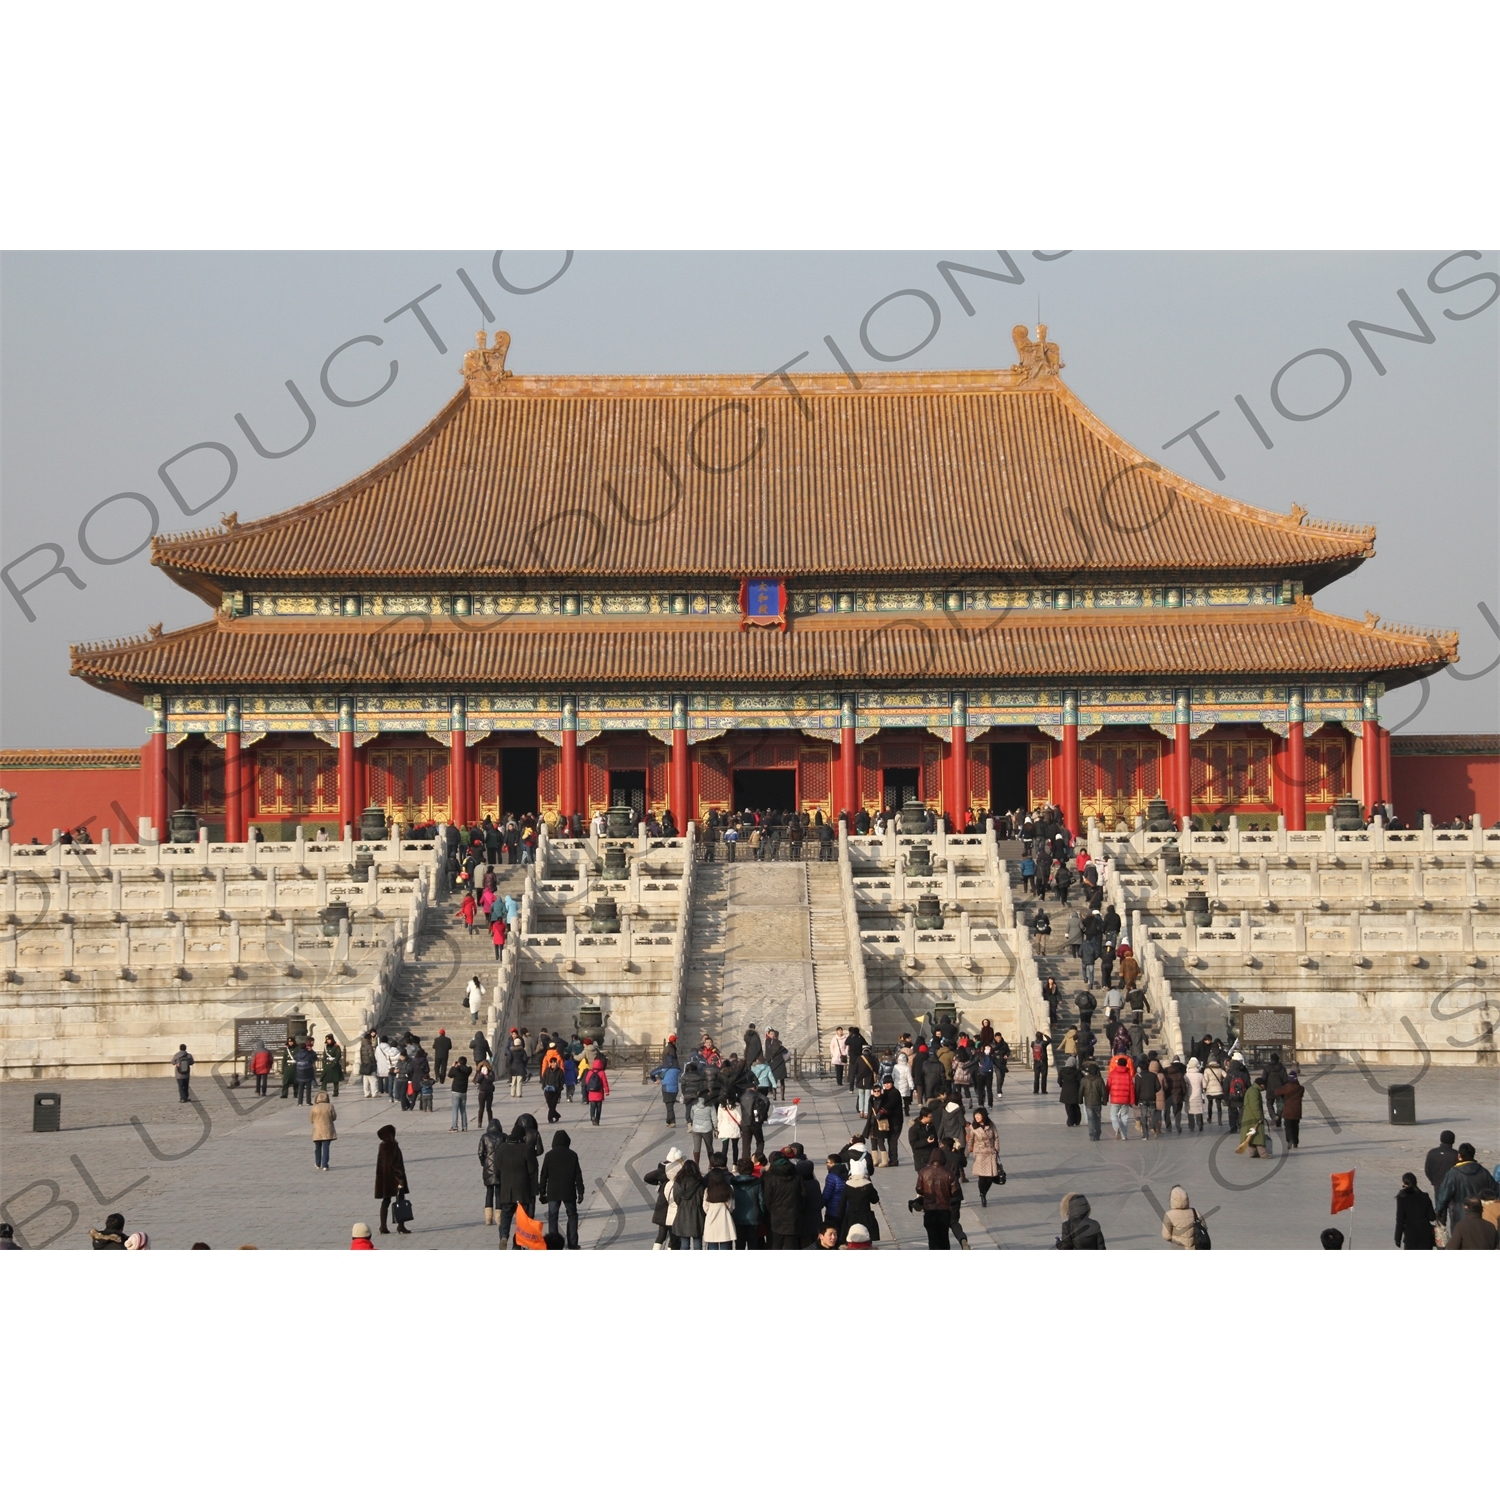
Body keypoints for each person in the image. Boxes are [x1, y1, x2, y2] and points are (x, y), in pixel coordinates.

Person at [495, 1122, 541, 1248]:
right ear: (522, 1137)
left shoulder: (502, 1148)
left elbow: (497, 1168)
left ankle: (504, 1236)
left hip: (506, 1190)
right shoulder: (526, 1149)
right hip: (522, 1190)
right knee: (522, 1220)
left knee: (506, 1215)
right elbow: (532, 1170)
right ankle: (517, 1244)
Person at [1434, 1144, 1498, 1231]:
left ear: (1459, 1156)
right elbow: (1495, 1192)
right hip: (1482, 1214)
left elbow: (1443, 1196)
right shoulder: (1483, 1171)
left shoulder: (1453, 1174)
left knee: (1461, 1239)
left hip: (1461, 1214)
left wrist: (1439, 1210)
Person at [539, 1129, 584, 1249]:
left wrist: (542, 1191)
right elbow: (578, 1175)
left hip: (553, 1192)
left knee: (553, 1217)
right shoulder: (572, 1155)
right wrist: (580, 1191)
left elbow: (544, 1175)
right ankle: (573, 1243)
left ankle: (553, 1245)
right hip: (569, 1191)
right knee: (572, 1215)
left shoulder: (549, 1155)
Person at [913, 1148, 956, 1249]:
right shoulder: (948, 1173)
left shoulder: (923, 1172)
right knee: (944, 1237)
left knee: (932, 1238)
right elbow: (955, 1191)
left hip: (929, 1209)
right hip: (944, 1210)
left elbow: (919, 1189)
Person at [645, 1147, 687, 1249]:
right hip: (672, 1209)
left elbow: (647, 1178)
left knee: (661, 1235)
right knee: (673, 1237)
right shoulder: (679, 1173)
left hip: (662, 1206)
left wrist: (659, 1181)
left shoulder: (663, 1173)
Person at [763, 1149, 803, 1250]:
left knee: (776, 1243)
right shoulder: (796, 1175)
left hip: (776, 1216)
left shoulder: (770, 1177)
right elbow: (803, 1195)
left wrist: (772, 1209)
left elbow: (767, 1198)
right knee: (791, 1245)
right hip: (793, 1216)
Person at [374, 1124, 409, 1235]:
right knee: (400, 1200)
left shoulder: (382, 1145)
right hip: (395, 1179)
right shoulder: (392, 1145)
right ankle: (401, 1225)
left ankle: (383, 1226)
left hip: (384, 1179)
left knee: (386, 1200)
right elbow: (395, 1163)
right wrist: (400, 1178)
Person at [837, 1157, 881, 1245]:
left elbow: (842, 1203)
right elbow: (875, 1200)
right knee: (866, 1240)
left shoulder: (848, 1185)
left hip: (851, 1216)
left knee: (850, 1238)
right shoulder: (868, 1185)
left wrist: (840, 1216)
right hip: (865, 1216)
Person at [966, 1108, 1002, 1206]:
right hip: (980, 1154)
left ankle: (984, 1192)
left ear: (984, 1116)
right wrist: (967, 1153)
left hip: (990, 1153)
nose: (976, 1117)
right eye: (975, 1115)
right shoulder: (973, 1127)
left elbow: (996, 1137)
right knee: (982, 1177)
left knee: (990, 1177)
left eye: (978, 1115)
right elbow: (970, 1140)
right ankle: (982, 1194)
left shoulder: (991, 1125)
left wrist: (996, 1149)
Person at [1393, 1173, 1437, 1250]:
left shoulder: (1402, 1198)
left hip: (1411, 1237)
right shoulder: (1424, 1196)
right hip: (1426, 1235)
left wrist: (1397, 1238)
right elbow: (1432, 1217)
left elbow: (1400, 1220)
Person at [702, 1155, 737, 1249]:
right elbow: (732, 1206)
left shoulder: (707, 1191)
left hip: (711, 1222)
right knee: (726, 1247)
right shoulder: (729, 1189)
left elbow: (705, 1208)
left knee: (712, 1247)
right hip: (725, 1222)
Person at [671, 1158, 707, 1250]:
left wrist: (682, 1205)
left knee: (684, 1243)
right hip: (697, 1214)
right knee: (698, 1241)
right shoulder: (700, 1182)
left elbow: (676, 1198)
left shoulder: (678, 1181)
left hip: (682, 1213)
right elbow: (702, 1197)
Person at [1236, 1081, 1270, 1158]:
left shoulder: (1252, 1090)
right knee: (1258, 1135)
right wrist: (1259, 1117)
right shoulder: (1254, 1092)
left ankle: (1253, 1152)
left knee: (1252, 1136)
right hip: (1253, 1117)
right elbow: (1255, 1106)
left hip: (1250, 1116)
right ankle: (1263, 1153)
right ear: (1261, 1084)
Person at [1106, 1054, 1135, 1140]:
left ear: (1117, 1064)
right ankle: (1124, 1135)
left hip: (1115, 1099)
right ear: (1126, 1064)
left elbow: (1108, 1086)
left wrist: (1105, 1097)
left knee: (1113, 1115)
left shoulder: (1112, 1074)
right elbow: (1132, 1089)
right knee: (1124, 1117)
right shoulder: (1128, 1075)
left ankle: (1116, 1127)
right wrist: (1132, 1101)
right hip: (1125, 1099)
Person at [1424, 1130, 1459, 1200]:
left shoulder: (1432, 1153)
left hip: (1438, 1184)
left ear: (1440, 1139)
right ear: (1453, 1141)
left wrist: (1433, 1181)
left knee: (1440, 1207)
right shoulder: (1456, 1154)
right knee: (1453, 1207)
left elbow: (1427, 1170)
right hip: (1453, 1185)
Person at [1274, 1069, 1305, 1148]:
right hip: (1297, 1111)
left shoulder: (1286, 1087)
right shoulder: (1301, 1088)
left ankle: (1290, 1139)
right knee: (1296, 1126)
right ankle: (1295, 1142)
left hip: (1288, 1111)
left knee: (1288, 1126)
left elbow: (1276, 1092)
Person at [649, 1055, 681, 1125]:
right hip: (675, 1089)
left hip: (666, 1088)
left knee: (669, 1106)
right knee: (670, 1105)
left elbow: (652, 1073)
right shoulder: (677, 1069)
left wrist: (654, 1080)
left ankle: (672, 1121)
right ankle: (668, 1121)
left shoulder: (662, 1068)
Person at [309, 1089, 337, 1170]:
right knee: (326, 1148)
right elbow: (334, 1117)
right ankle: (325, 1165)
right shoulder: (330, 1106)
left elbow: (311, 1119)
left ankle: (317, 1164)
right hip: (327, 1130)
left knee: (317, 1148)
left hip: (317, 1130)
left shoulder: (314, 1107)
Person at [1080, 1061, 1107, 1141]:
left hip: (1088, 1102)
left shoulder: (1084, 1080)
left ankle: (1092, 1135)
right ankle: (1097, 1133)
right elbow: (1103, 1091)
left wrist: (1080, 1100)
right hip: (1097, 1101)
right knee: (1098, 1118)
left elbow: (1081, 1091)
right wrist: (1104, 1100)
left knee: (1090, 1119)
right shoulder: (1099, 1079)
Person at [446, 1054, 472, 1132]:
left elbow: (450, 1075)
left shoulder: (457, 1069)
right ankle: (464, 1126)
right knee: (463, 1109)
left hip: (456, 1091)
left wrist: (453, 1066)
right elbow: (465, 1069)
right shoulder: (468, 1070)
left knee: (455, 1109)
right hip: (464, 1091)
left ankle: (454, 1126)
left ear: (459, 1062)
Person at [540, 1047, 564, 1123]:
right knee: (550, 1105)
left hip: (556, 1090)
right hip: (547, 1090)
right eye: (552, 1062)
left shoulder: (560, 1071)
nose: (553, 1064)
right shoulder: (547, 1071)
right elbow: (544, 1078)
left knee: (553, 1105)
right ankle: (556, 1115)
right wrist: (543, 1086)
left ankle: (550, 1119)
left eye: (555, 1062)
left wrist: (560, 1088)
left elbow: (562, 1080)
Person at [584, 1055, 610, 1125]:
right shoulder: (602, 1073)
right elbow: (605, 1083)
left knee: (592, 1107)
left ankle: (592, 1116)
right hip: (599, 1093)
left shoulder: (590, 1072)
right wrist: (607, 1091)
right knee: (598, 1108)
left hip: (591, 1093)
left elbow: (586, 1081)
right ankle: (597, 1120)